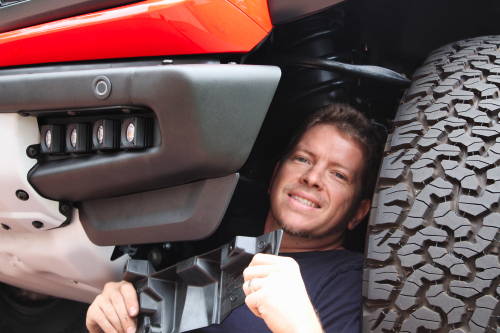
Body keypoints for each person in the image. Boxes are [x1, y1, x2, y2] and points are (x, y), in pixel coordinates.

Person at [86, 103, 383, 333]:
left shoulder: (352, 280)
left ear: (358, 212)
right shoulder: (209, 251)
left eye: (338, 175)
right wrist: (112, 313)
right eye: (303, 159)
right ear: (274, 176)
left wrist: (298, 324)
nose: (312, 178)